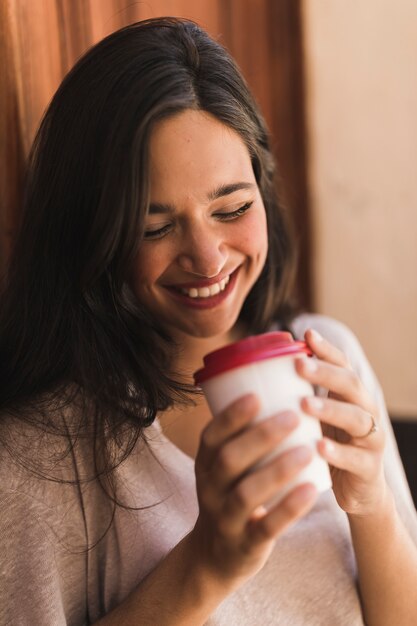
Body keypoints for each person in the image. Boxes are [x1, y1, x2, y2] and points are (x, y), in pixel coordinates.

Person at [0, 16, 416, 626]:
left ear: (264, 193)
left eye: (233, 208)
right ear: (92, 234)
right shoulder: (40, 456)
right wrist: (208, 565)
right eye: (157, 226)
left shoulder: (327, 355)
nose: (208, 257)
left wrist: (372, 502)